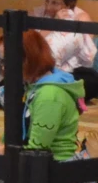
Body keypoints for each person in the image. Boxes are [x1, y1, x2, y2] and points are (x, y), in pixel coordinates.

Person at [16, 30, 84, 161]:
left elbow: (37, 150)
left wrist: (7, 153)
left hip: (54, 167)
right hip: (37, 161)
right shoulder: (34, 86)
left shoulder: (49, 95)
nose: (2, 68)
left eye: (4, 62)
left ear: (25, 61)